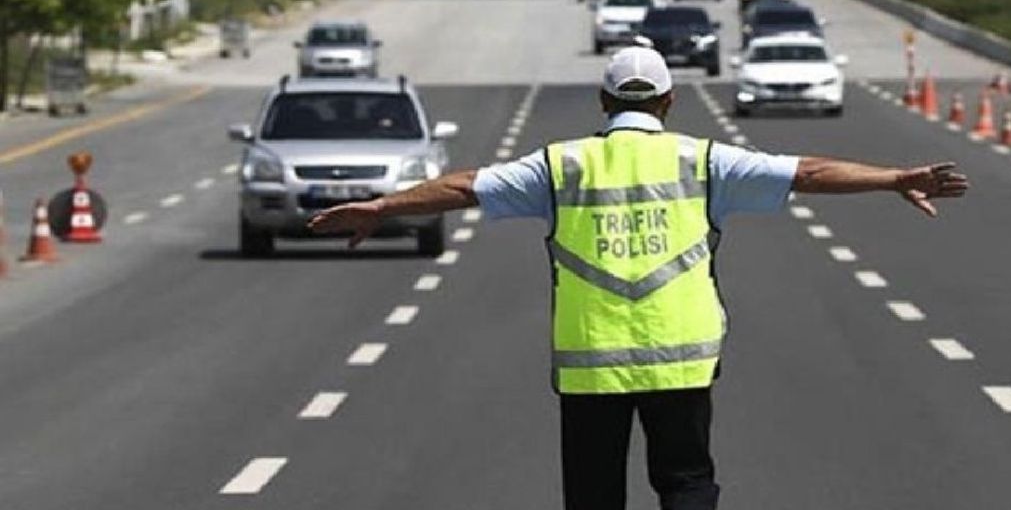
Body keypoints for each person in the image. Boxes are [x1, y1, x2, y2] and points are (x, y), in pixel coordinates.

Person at [308, 47, 969, 510]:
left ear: (602, 101)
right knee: (686, 483)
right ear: (669, 101)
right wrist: (893, 178)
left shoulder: (560, 166)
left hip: (591, 364)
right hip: (681, 359)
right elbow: (807, 172)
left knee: (595, 494)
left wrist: (384, 205)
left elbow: (462, 186)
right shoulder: (703, 159)